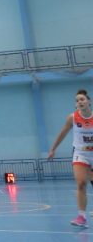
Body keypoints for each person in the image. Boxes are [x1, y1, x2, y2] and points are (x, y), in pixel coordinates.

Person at [48, 89, 93, 228]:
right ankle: (81, 216)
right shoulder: (72, 118)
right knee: (81, 183)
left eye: (82, 99)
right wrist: (53, 149)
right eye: (77, 100)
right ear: (76, 105)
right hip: (80, 154)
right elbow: (62, 133)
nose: (80, 102)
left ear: (89, 102)